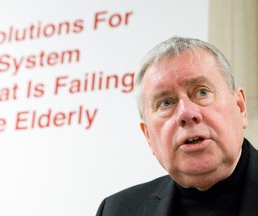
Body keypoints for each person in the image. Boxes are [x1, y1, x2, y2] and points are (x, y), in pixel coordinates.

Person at [96, 36, 258, 215]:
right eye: (166, 103)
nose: (186, 113)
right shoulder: (116, 210)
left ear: (240, 107)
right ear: (148, 136)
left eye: (202, 92)